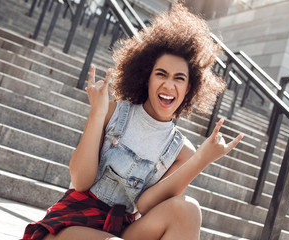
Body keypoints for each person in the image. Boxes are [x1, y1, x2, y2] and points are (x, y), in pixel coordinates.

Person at [23, 2, 244, 240]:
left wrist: (201, 160)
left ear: (189, 87)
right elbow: (80, 181)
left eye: (179, 78)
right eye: (161, 74)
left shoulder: (182, 151)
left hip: (121, 229)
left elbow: (147, 204)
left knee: (188, 209)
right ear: (147, 76)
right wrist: (97, 114)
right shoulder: (112, 112)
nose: (169, 86)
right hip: (73, 222)